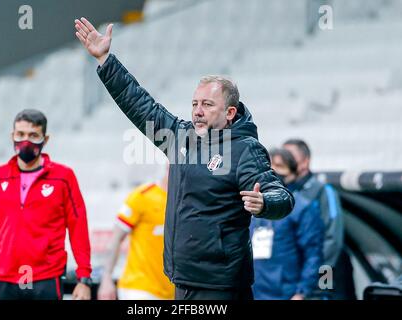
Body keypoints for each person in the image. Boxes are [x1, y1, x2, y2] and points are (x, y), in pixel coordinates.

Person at [75, 18, 294, 300]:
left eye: (207, 104)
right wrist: (106, 60)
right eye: (194, 104)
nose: (198, 111)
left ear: (229, 113)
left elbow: (283, 196)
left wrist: (265, 203)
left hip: (221, 287)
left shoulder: (244, 149)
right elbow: (141, 105)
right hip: (182, 281)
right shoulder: (181, 137)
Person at [0, 109, 92, 300]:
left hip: (46, 278)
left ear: (45, 139)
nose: (26, 141)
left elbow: (78, 227)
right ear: (12, 136)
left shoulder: (64, 178)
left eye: (33, 135)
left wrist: (84, 279)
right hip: (4, 280)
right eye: (20, 134)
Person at [283, 138, 356, 300]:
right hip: (301, 276)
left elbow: (332, 240)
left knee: (324, 296)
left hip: (326, 269)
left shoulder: (323, 191)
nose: (283, 162)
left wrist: (318, 278)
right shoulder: (284, 194)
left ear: (304, 162)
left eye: (289, 157)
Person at [251, 148, 324, 300]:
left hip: (286, 293)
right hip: (255, 292)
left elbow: (313, 255)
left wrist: (301, 293)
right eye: (269, 165)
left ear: (292, 173)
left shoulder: (303, 208)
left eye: (280, 166)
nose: (273, 170)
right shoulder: (253, 205)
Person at [98, 168, 174, 300]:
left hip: (172, 291)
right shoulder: (142, 196)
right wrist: (106, 278)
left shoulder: (185, 201)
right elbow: (116, 239)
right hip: (139, 289)